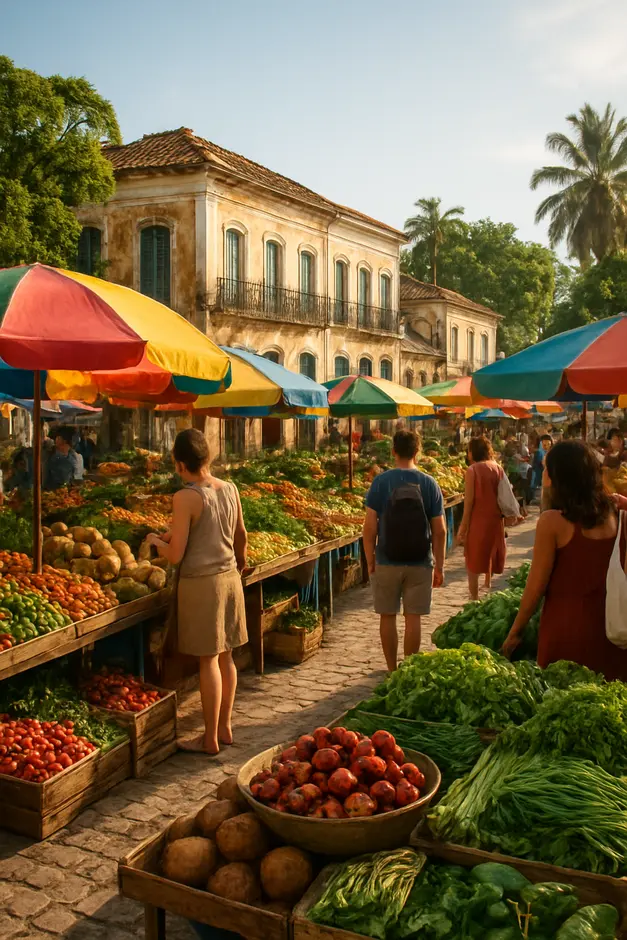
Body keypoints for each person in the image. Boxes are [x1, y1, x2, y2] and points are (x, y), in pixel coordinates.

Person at [145, 429, 248, 754]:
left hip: (202, 584)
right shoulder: (229, 488)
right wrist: (239, 564)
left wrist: (155, 543)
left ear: (179, 464)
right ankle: (225, 728)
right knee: (227, 655)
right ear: (208, 457)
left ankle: (210, 739)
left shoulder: (185, 497)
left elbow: (176, 555)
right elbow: (241, 535)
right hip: (230, 578)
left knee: (208, 661)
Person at [502, 441, 627, 680]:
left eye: (547, 467)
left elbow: (536, 585)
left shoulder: (552, 523)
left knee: (563, 705)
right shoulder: (619, 514)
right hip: (613, 631)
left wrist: (515, 631)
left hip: (567, 633)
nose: (543, 470)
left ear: (559, 475)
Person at [362, 429, 446, 672]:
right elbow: (439, 530)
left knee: (387, 616)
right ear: (417, 452)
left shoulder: (381, 482)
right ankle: (408, 670)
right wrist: (439, 565)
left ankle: (391, 668)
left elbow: (369, 529)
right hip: (420, 562)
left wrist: (370, 561)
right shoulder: (429, 484)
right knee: (413, 618)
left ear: (393, 451)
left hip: (387, 560)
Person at [457, 436, 509, 600]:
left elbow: (469, 501)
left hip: (478, 519)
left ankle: (474, 596)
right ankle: (488, 585)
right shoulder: (497, 468)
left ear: (472, 452)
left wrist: (463, 528)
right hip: (495, 519)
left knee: (474, 558)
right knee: (490, 552)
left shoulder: (473, 470)